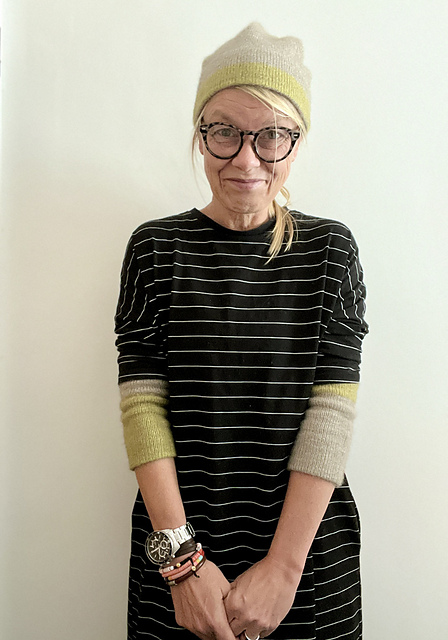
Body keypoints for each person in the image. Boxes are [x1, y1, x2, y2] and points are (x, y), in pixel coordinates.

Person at [115, 23, 368, 640]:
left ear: (297, 142)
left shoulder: (330, 251)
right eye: (224, 131)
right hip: (180, 560)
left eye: (272, 135)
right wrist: (183, 565)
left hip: (307, 560)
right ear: (200, 134)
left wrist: (283, 569)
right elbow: (143, 408)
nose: (246, 160)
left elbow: (331, 415)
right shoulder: (155, 249)